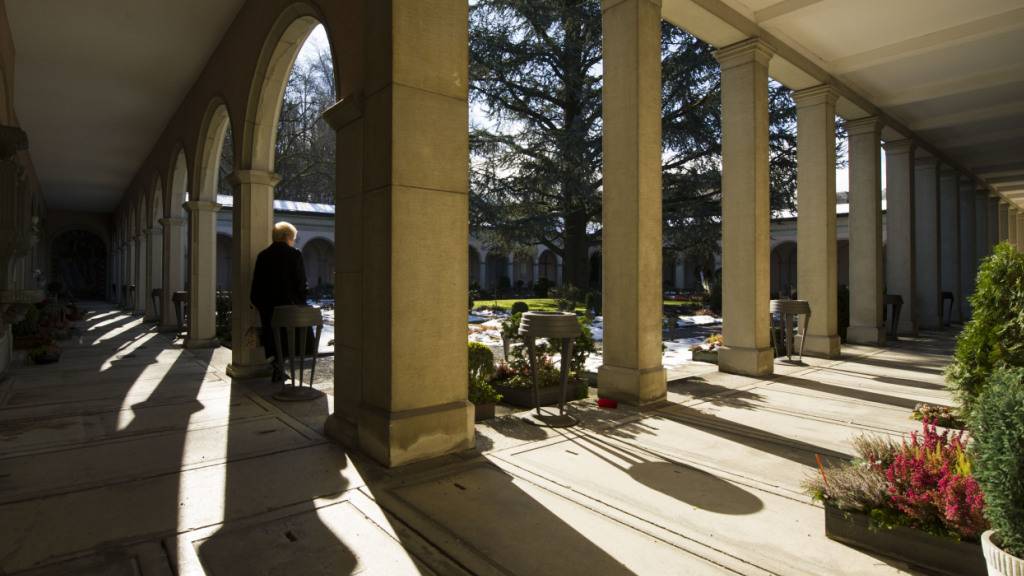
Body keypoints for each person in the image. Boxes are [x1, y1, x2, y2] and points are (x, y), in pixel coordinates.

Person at [250, 221, 308, 382]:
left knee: (272, 336)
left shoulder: (263, 255)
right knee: (288, 338)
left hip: (267, 306)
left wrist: (257, 303)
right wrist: (301, 301)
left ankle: (277, 366)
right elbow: (301, 282)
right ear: (287, 237)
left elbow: (257, 283)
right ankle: (280, 368)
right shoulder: (294, 254)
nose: (293, 241)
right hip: (289, 305)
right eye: (293, 238)